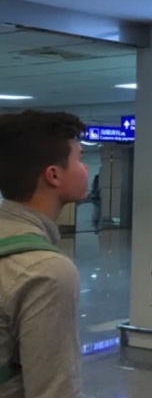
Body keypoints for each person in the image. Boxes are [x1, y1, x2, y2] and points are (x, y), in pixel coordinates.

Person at [0, 110, 87, 398]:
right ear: (53, 175)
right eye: (80, 158)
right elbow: (54, 390)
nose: (86, 169)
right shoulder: (46, 270)